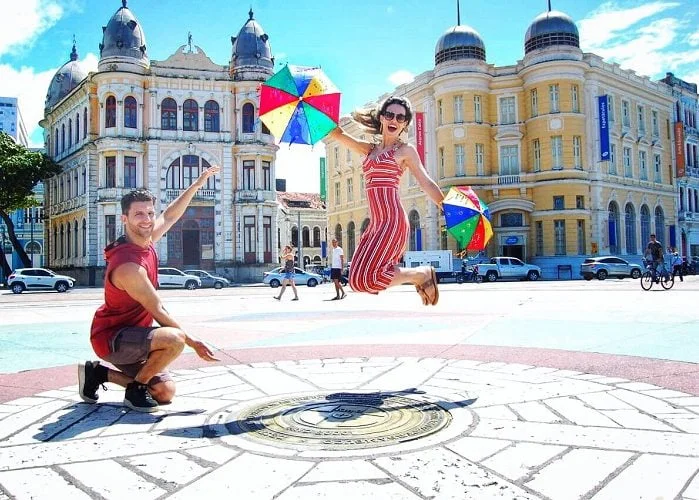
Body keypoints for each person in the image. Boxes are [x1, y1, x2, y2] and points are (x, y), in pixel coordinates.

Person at [79, 166, 221, 413]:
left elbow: (169, 216)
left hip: (136, 336)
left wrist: (198, 184)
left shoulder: (145, 240)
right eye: (138, 214)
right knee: (174, 338)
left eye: (149, 213)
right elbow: (157, 310)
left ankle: (98, 373)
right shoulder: (128, 266)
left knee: (164, 393)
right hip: (113, 339)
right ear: (124, 219)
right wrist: (192, 342)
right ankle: (135, 391)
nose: (146, 219)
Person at [329, 96, 444, 305]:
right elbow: (336, 133)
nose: (394, 120)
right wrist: (313, 111)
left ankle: (420, 274)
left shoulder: (405, 151)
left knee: (371, 278)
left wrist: (444, 206)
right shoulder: (369, 149)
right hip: (375, 224)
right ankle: (419, 275)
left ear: (405, 124)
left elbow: (426, 182)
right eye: (390, 114)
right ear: (382, 117)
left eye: (400, 118)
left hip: (393, 222)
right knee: (356, 280)